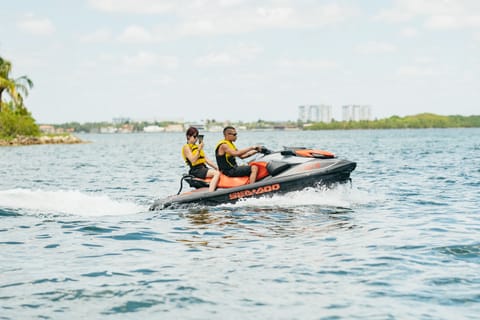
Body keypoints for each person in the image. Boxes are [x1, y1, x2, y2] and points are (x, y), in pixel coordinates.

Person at [182, 127, 220, 192]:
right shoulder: (186, 147)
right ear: (188, 136)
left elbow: (206, 160)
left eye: (197, 136)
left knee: (218, 171)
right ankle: (211, 193)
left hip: (203, 168)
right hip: (196, 170)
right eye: (194, 136)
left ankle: (212, 187)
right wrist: (199, 149)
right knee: (216, 174)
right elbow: (192, 160)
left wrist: (217, 167)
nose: (196, 139)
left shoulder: (197, 147)